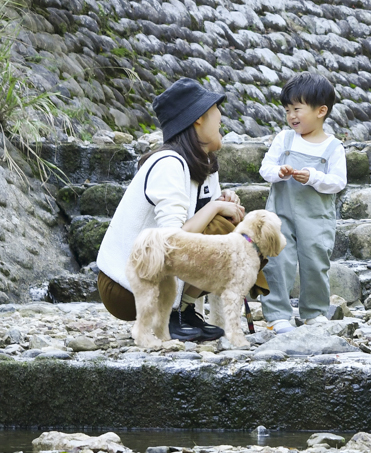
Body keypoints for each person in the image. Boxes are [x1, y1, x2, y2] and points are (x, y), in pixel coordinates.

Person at [94, 77, 248, 343]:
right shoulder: (168, 163)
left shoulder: (204, 163)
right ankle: (168, 316)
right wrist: (215, 207)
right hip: (123, 287)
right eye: (215, 109)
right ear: (198, 118)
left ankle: (183, 310)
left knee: (231, 229)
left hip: (153, 279)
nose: (221, 116)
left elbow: (208, 221)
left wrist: (224, 204)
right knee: (218, 223)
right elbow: (170, 239)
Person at [258, 73, 347, 330]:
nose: (292, 116)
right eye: (287, 110)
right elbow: (265, 169)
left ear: (321, 111)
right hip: (280, 212)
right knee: (277, 260)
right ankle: (277, 316)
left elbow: (338, 182)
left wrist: (313, 177)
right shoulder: (284, 139)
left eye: (297, 109)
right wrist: (279, 172)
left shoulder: (333, 147)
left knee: (315, 262)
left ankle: (315, 312)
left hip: (316, 217)